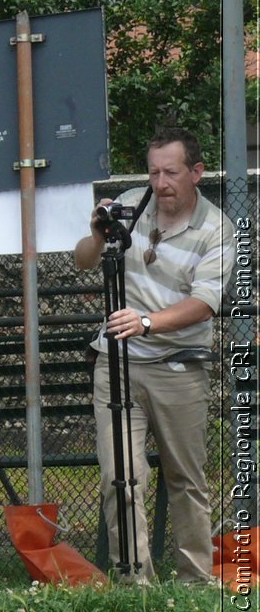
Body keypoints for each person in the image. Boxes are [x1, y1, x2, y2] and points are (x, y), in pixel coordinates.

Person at [75, 126, 235, 584]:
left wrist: (146, 322)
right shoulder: (131, 203)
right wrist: (95, 231)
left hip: (178, 368)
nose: (160, 183)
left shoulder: (216, 230)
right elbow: (85, 259)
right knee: (120, 477)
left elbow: (204, 303)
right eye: (153, 172)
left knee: (186, 479)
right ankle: (134, 581)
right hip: (118, 364)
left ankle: (195, 578)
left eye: (170, 173)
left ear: (196, 173)